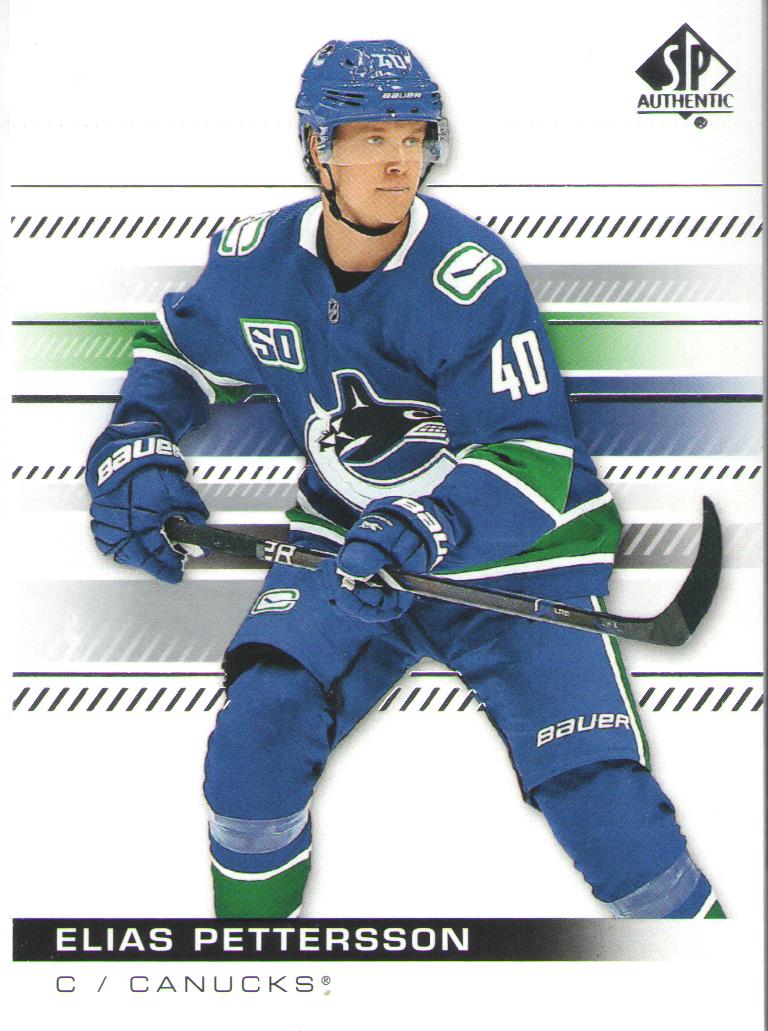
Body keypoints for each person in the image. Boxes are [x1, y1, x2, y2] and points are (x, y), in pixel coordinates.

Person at [86, 39, 723, 920]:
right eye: (371, 136)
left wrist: (423, 525)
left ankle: (708, 969)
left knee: (608, 815)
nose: (398, 160)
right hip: (346, 537)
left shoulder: (470, 276)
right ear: (318, 149)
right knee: (256, 741)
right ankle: (250, 952)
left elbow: (530, 453)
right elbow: (180, 352)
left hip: (519, 549)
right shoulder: (255, 258)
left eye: (414, 136)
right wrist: (136, 444)